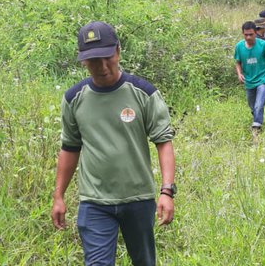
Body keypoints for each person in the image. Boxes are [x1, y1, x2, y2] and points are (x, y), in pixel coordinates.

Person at [51, 21, 177, 266]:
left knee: (144, 261)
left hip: (138, 199)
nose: (102, 66)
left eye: (107, 57)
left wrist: (166, 191)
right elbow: (70, 148)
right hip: (94, 202)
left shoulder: (143, 93)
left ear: (118, 51)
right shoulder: (74, 99)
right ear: (83, 61)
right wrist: (58, 196)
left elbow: (163, 142)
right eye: (93, 60)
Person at [234, 21, 265, 132]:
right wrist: (239, 74)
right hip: (249, 82)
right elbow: (237, 62)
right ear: (243, 33)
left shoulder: (263, 45)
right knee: (253, 106)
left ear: (255, 33)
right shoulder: (239, 47)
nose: (248, 37)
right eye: (246, 34)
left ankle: (256, 129)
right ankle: (257, 119)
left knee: (259, 104)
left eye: (251, 34)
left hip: (262, 80)